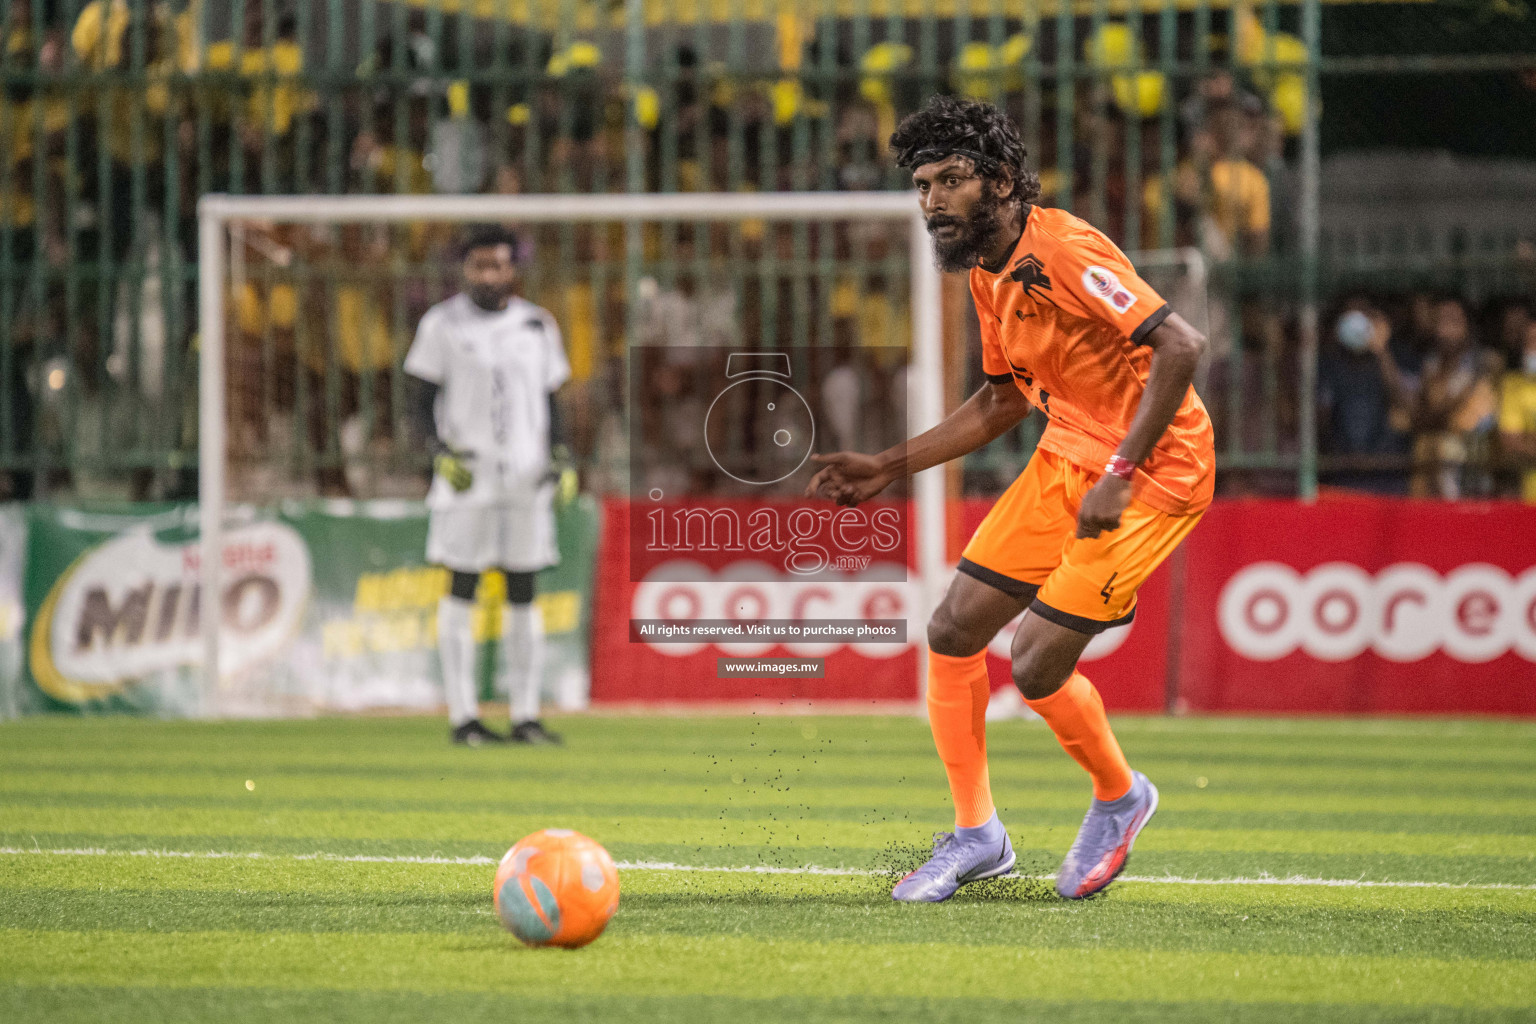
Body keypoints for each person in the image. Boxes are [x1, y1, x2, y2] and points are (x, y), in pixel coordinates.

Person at [807, 96, 1213, 902]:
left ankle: (1120, 796)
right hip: (1068, 454)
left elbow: (1181, 345)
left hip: (1155, 472)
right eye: (923, 185)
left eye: (950, 180)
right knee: (953, 629)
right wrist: (889, 464)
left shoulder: (1061, 248)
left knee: (1032, 665)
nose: (932, 201)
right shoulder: (988, 274)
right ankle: (977, 835)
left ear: (999, 183)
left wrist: (1120, 474)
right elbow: (1000, 403)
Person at [404, 226, 575, 746]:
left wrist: (563, 457)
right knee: (462, 587)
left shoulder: (536, 324)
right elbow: (416, 397)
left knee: (525, 590)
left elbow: (552, 399)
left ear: (512, 269)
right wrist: (436, 453)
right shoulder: (442, 324)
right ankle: (464, 717)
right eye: (478, 266)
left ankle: (525, 715)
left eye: (496, 265)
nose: (487, 275)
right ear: (464, 270)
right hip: (468, 476)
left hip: (526, 475)